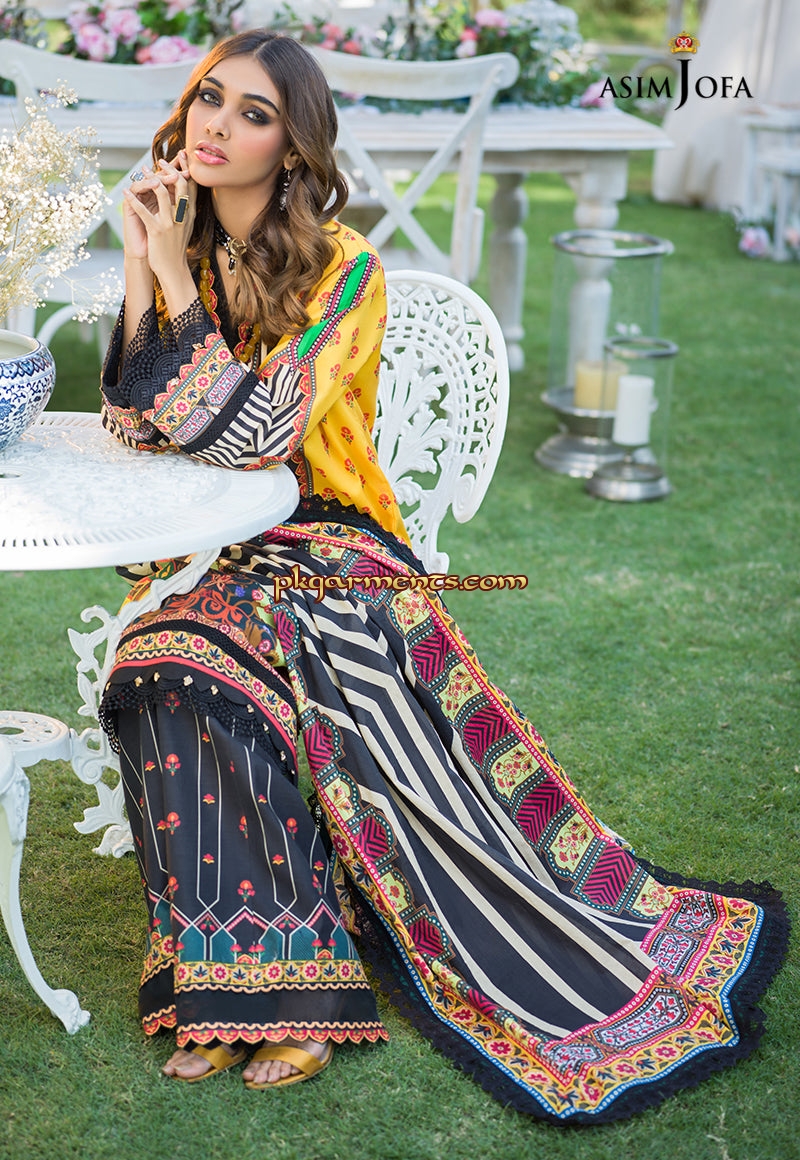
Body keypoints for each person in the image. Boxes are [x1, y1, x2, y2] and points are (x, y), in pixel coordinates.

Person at [98, 29, 787, 1120]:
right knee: (160, 662)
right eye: (208, 99)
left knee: (201, 657)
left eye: (253, 113)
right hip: (216, 547)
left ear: (293, 147)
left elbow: (257, 435)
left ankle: (299, 993)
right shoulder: (188, 247)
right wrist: (147, 259)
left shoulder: (343, 269)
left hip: (332, 549)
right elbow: (138, 427)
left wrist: (170, 274)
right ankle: (243, 968)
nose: (216, 126)